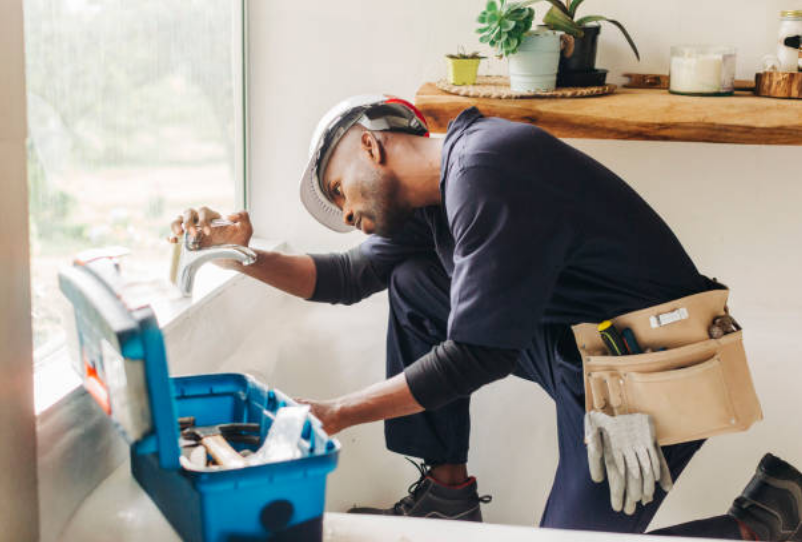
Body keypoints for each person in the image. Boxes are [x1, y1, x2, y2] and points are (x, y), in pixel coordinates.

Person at [171, 96, 802, 540]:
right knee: (416, 283)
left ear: (372, 144)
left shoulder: (490, 168)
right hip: (581, 358)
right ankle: (448, 495)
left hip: (652, 373)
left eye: (340, 191)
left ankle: (761, 522)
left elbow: (480, 353)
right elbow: (341, 279)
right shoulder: (436, 201)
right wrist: (237, 254)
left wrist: (336, 412)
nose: (344, 215)